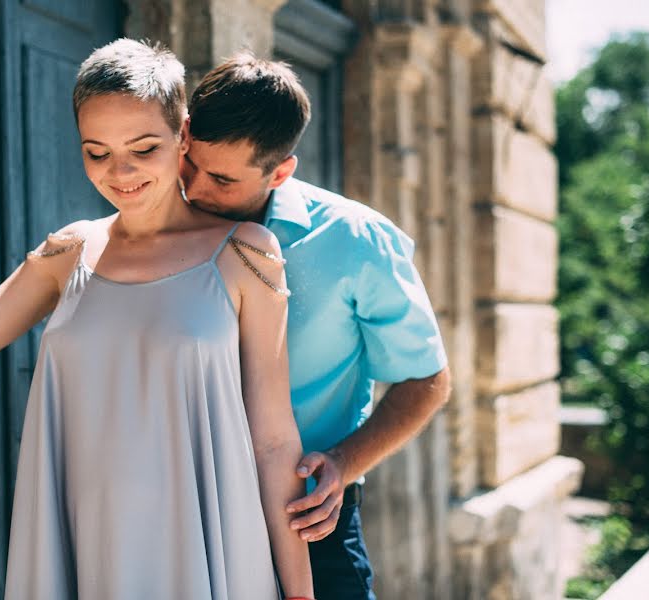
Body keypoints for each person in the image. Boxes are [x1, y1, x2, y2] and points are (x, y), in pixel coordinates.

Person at [0, 39, 315, 600]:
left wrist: (300, 592)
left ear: (183, 135)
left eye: (143, 148)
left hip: (211, 554)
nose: (121, 173)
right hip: (90, 553)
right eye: (97, 152)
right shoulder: (69, 252)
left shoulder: (247, 253)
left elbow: (272, 440)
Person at [180, 52, 452, 599]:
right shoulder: (158, 221)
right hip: (184, 512)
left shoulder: (357, 241)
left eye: (222, 179)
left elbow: (427, 380)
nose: (194, 189)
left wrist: (342, 464)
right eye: (189, 163)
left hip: (306, 517)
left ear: (280, 172)